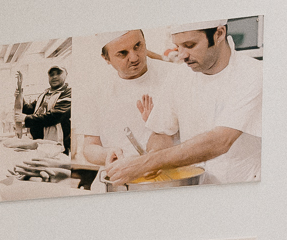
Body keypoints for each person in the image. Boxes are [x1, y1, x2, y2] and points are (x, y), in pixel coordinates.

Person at [106, 23, 260, 187]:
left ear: (219, 34)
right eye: (178, 46)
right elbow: (161, 132)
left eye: (190, 45)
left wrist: (147, 163)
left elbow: (219, 141)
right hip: (192, 188)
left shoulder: (253, 73)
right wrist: (153, 155)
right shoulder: (179, 76)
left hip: (241, 188)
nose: (182, 55)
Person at [79, 30, 183, 170]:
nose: (134, 58)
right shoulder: (97, 89)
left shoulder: (175, 76)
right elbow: (89, 147)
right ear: (106, 59)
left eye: (138, 46)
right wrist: (107, 154)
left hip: (168, 177)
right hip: (118, 178)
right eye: (122, 53)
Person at [21, 65, 73, 144]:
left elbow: (55, 116)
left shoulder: (68, 93)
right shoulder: (43, 95)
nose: (54, 77)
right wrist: (20, 98)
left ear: (66, 74)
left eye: (58, 73)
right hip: (38, 141)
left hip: (58, 143)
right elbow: (29, 110)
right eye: (51, 74)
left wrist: (26, 119)